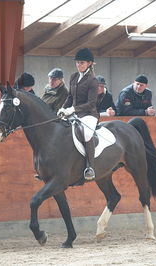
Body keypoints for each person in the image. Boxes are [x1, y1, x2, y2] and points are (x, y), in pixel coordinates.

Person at [58, 47, 98, 180]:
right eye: (77, 62)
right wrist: (62, 108)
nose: (79, 65)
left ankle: (90, 167)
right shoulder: (73, 77)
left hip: (89, 114)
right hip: (73, 112)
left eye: (82, 63)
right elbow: (70, 97)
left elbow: (91, 103)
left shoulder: (92, 80)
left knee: (86, 133)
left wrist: (73, 109)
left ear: (89, 64)